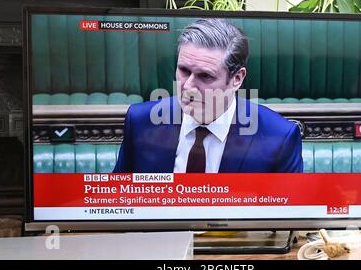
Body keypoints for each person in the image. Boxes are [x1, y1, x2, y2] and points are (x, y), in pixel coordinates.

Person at [113, 18, 303, 173]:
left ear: (237, 78)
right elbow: (117, 202)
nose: (188, 86)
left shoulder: (279, 137)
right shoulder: (140, 122)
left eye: (205, 76)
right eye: (184, 71)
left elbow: (288, 217)